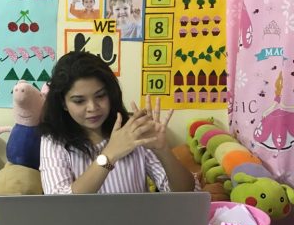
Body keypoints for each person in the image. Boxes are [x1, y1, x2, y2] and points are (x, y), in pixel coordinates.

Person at [40, 51, 197, 195]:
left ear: (110, 94)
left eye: (100, 96)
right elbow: (60, 202)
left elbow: (186, 193)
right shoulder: (53, 141)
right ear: (63, 103)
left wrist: (163, 150)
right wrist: (109, 155)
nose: (93, 107)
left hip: (136, 218)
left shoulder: (133, 129)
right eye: (79, 101)